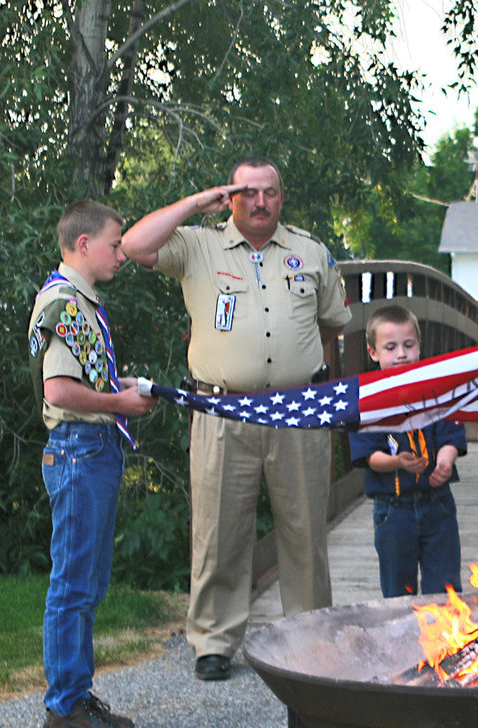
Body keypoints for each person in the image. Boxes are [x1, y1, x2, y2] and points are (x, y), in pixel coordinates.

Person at [121, 157, 352, 681]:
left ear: (281, 197)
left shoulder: (310, 251)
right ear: (230, 198)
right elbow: (135, 246)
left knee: (305, 530)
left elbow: (332, 324)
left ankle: (311, 635)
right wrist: (193, 204)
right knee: (219, 529)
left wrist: (301, 370)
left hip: (296, 410)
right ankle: (214, 641)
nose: (260, 202)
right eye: (247, 193)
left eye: (269, 192)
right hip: (223, 408)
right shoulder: (199, 245)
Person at [27, 200, 158, 728]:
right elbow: (58, 391)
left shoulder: (80, 300)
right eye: (114, 242)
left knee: (86, 583)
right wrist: (117, 402)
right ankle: (65, 712)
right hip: (80, 451)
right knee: (73, 586)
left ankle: (75, 698)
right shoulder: (62, 301)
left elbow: (78, 379)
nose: (121, 251)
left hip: (92, 450)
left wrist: (120, 386)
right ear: (84, 244)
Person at [347, 306, 467, 597]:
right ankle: (403, 640)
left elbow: (451, 435)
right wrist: (396, 462)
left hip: (437, 504)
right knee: (398, 588)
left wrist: (444, 461)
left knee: (445, 587)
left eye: (408, 345)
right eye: (390, 347)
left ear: (419, 346)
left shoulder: (437, 390)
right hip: (393, 509)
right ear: (373, 352)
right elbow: (370, 457)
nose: (401, 354)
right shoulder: (367, 400)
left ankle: (445, 640)